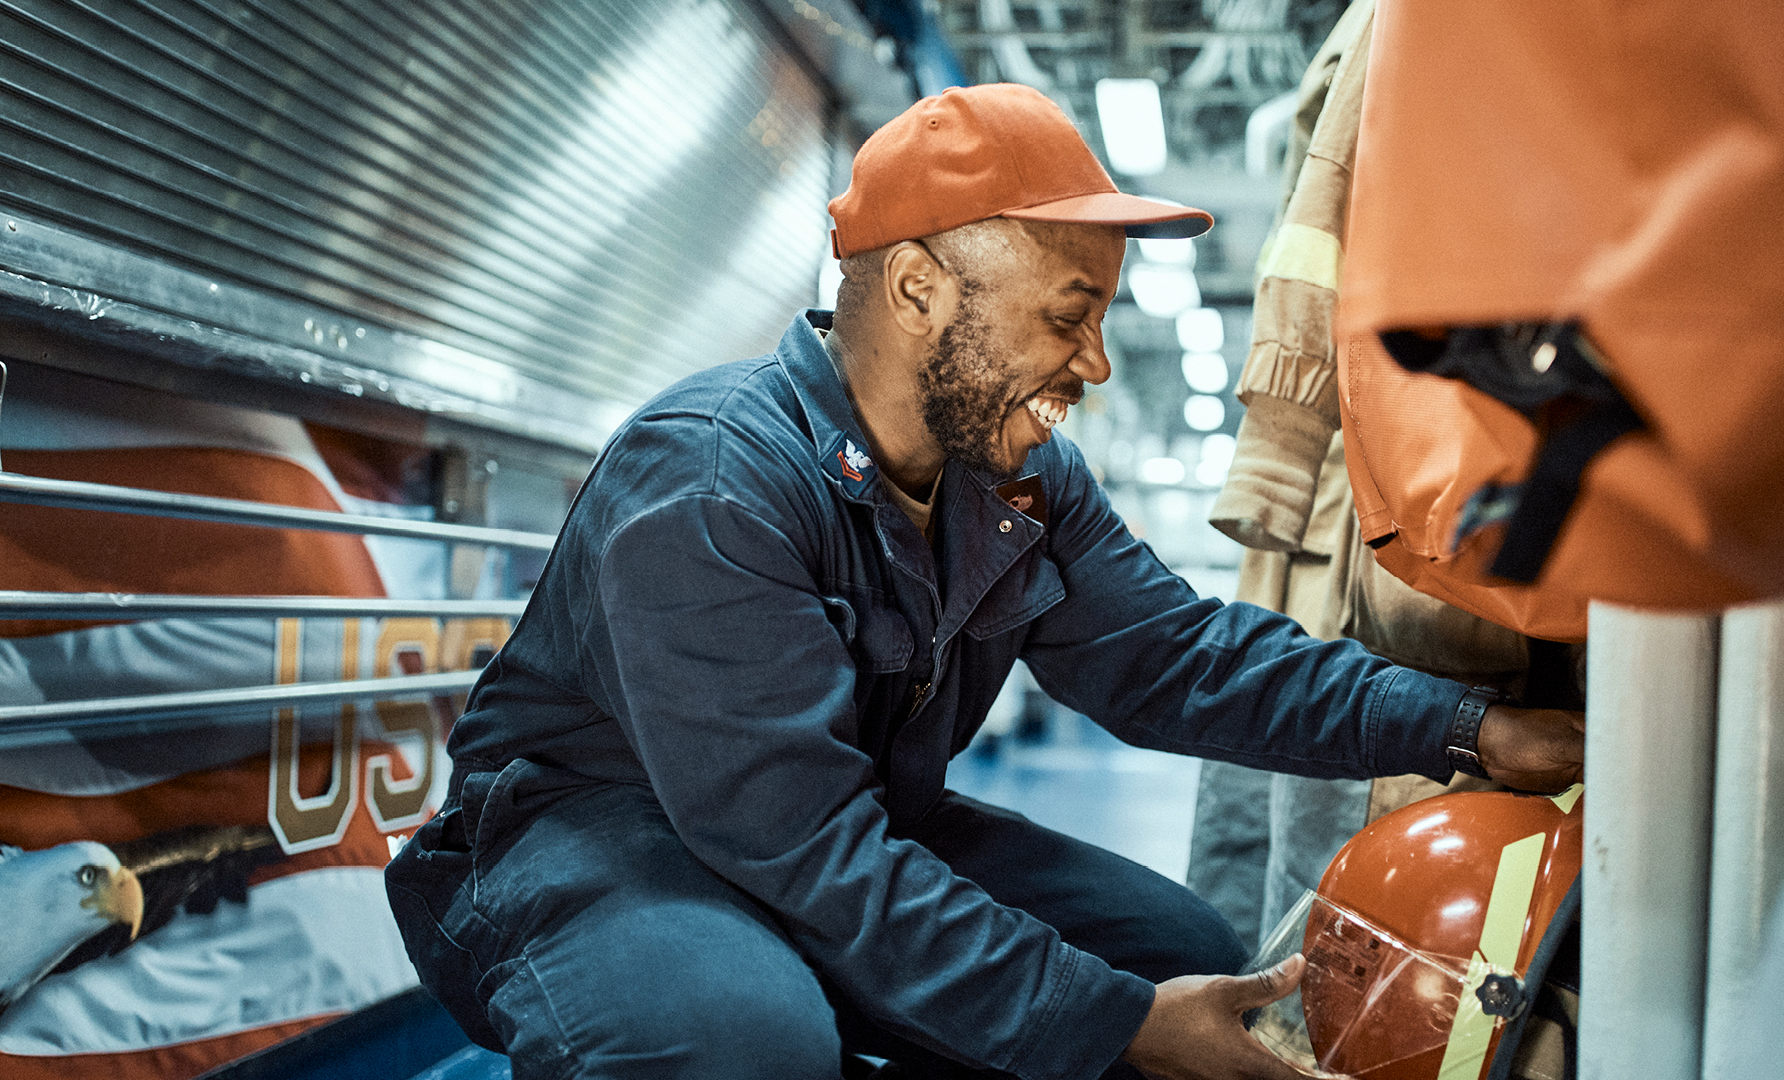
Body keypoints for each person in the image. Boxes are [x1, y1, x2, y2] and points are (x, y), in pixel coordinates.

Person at [385, 83, 1584, 1080]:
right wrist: (1113, 1028)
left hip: (827, 828)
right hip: (584, 842)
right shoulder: (711, 481)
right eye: (1071, 316)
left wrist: (1467, 726)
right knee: (738, 1041)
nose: (1098, 362)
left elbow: (1179, 658)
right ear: (918, 290)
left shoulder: (1016, 485)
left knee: (1174, 950)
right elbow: (808, 854)